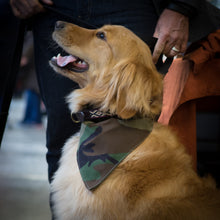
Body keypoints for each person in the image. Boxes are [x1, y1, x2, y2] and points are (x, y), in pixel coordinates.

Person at [9, 0, 220, 216]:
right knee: (59, 137)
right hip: (54, 5)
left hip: (137, 7)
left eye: (101, 36)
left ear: (124, 77)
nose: (64, 27)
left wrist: (181, 5)